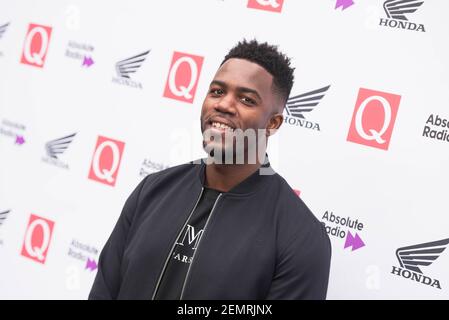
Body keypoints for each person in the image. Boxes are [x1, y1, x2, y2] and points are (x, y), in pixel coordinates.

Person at [89, 39, 331, 300]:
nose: (224, 105)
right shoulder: (153, 190)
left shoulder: (300, 237)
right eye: (217, 91)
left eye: (246, 99)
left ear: (272, 123)